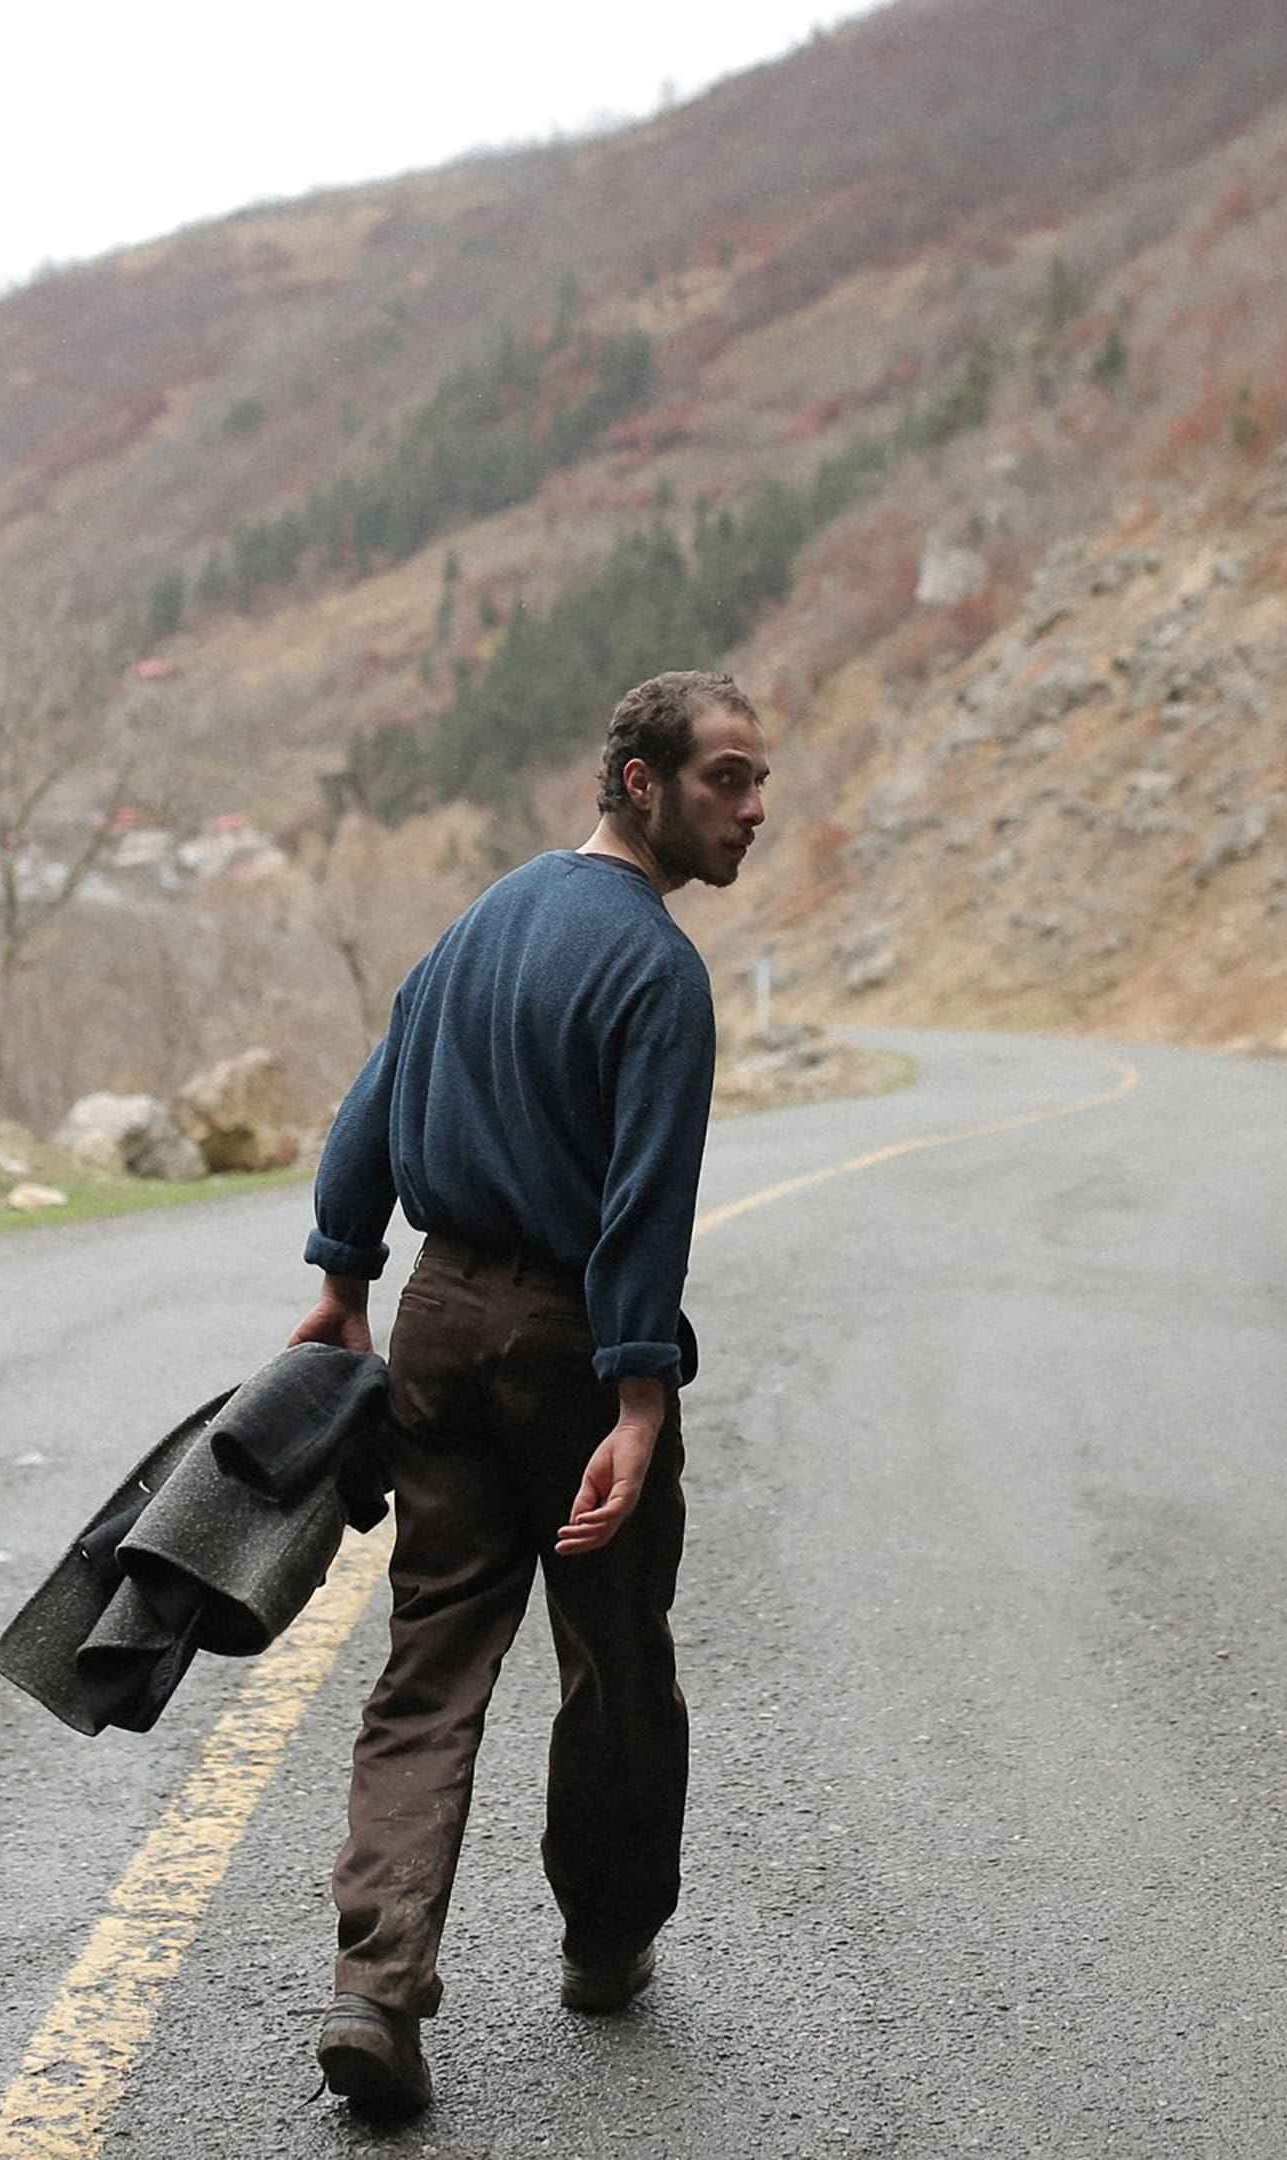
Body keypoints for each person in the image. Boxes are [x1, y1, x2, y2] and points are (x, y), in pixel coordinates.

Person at [287, 669, 771, 2116]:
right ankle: (606, 1946)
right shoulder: (657, 972)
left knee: (430, 1657)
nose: (756, 811)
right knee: (616, 1655)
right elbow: (642, 1212)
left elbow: (373, 1099)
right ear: (641, 781)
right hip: (569, 1340)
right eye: (727, 780)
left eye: (760, 783)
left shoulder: (485, 917)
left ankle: (377, 1989)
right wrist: (637, 1399)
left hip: (435, 1317)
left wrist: (345, 1278)